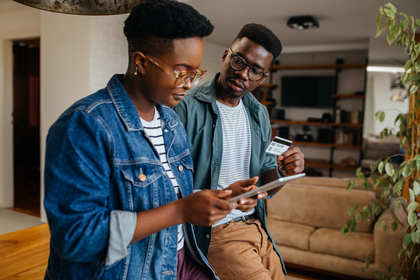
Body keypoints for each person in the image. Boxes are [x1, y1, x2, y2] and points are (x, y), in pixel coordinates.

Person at [43, 1, 258, 279]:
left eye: (196, 73)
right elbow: (75, 238)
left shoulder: (171, 123)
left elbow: (160, 198)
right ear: (141, 62)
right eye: (182, 71)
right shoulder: (85, 125)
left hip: (179, 260)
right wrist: (180, 211)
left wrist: (218, 197)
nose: (190, 83)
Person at [173, 23, 305, 280]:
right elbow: (169, 183)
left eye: (255, 70)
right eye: (238, 61)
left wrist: (285, 172)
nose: (243, 74)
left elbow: (267, 183)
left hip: (257, 227)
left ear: (263, 77)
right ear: (226, 55)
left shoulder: (259, 114)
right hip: (216, 233)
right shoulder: (185, 106)